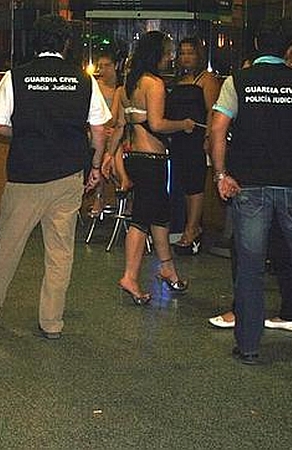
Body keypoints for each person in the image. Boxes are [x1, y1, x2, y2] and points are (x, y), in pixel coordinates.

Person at [0, 14, 111, 340]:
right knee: (60, 252)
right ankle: (51, 322)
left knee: (8, 244)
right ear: (66, 44)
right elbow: (99, 130)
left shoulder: (16, 77)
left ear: (35, 41)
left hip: (26, 175)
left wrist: (24, 133)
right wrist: (95, 166)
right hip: (68, 175)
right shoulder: (84, 81)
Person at [210, 22, 292, 364]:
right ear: (289, 51)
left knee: (250, 266)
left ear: (256, 45)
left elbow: (218, 129)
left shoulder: (238, 81)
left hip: (249, 185)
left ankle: (249, 346)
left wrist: (221, 174)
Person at [104, 31, 194, 305]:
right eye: (167, 53)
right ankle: (130, 277)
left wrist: (108, 156)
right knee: (142, 218)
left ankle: (168, 269)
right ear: (157, 55)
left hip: (134, 158)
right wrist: (183, 124)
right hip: (152, 160)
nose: (170, 58)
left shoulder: (126, 87)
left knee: (159, 214)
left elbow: (119, 126)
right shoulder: (154, 84)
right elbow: (157, 124)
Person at [167, 38, 220, 255]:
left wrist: (208, 138)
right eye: (182, 53)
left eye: (190, 52)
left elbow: (213, 110)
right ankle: (189, 226)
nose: (186, 57)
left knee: (195, 184)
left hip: (197, 137)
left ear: (199, 55)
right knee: (183, 184)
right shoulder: (178, 80)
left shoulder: (207, 79)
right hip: (178, 137)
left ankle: (192, 228)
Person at [87, 51, 120, 217]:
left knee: (114, 143)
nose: (103, 70)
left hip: (116, 131)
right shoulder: (95, 86)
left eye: (107, 66)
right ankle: (99, 196)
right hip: (99, 130)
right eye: (100, 66)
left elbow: (116, 117)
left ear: (115, 66)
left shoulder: (121, 89)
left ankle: (122, 190)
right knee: (98, 143)